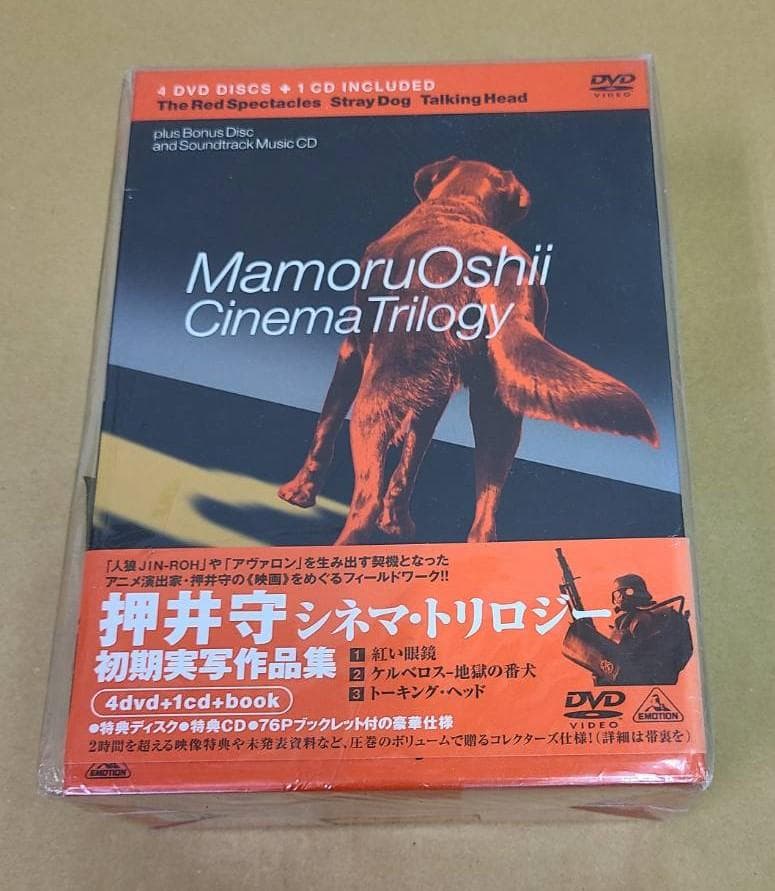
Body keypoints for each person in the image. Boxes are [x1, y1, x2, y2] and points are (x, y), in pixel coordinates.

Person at [563, 573, 693, 686]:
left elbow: (628, 655)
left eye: (619, 593)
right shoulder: (657, 615)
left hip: (643, 683)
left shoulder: (646, 617)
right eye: (616, 594)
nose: (617, 598)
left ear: (629, 592)